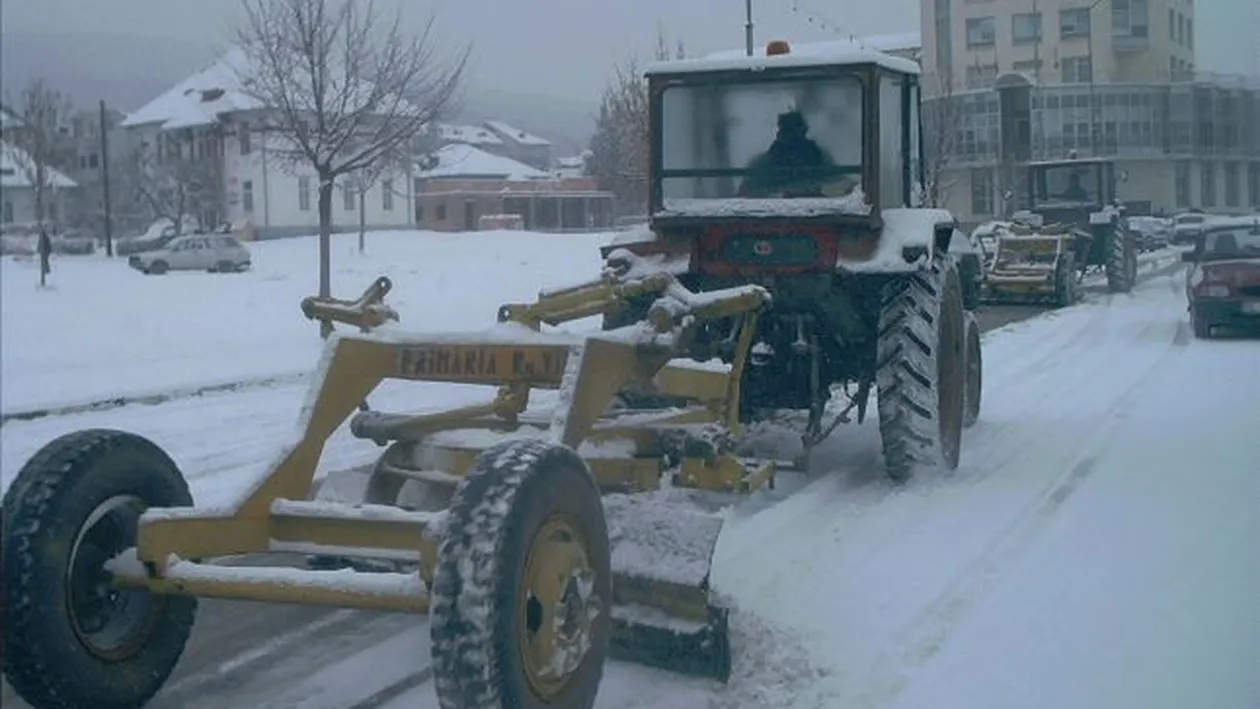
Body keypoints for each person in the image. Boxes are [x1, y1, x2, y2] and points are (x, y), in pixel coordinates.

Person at [738, 110, 837, 197]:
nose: (792, 138)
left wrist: (816, 191)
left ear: (804, 132)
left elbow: (839, 187)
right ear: (780, 133)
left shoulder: (820, 158)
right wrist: (776, 196)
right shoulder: (763, 164)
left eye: (796, 132)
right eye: (788, 132)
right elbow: (746, 198)